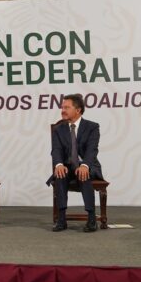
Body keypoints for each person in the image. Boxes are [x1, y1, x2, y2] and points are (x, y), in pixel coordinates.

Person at [48, 94, 102, 232]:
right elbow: (56, 150)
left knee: (84, 173)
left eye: (67, 107)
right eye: (62, 107)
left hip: (86, 165)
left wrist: (85, 165)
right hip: (67, 167)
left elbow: (92, 150)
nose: (63, 110)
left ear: (78, 110)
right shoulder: (59, 129)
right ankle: (61, 219)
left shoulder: (92, 127)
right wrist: (58, 164)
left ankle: (91, 219)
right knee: (60, 173)